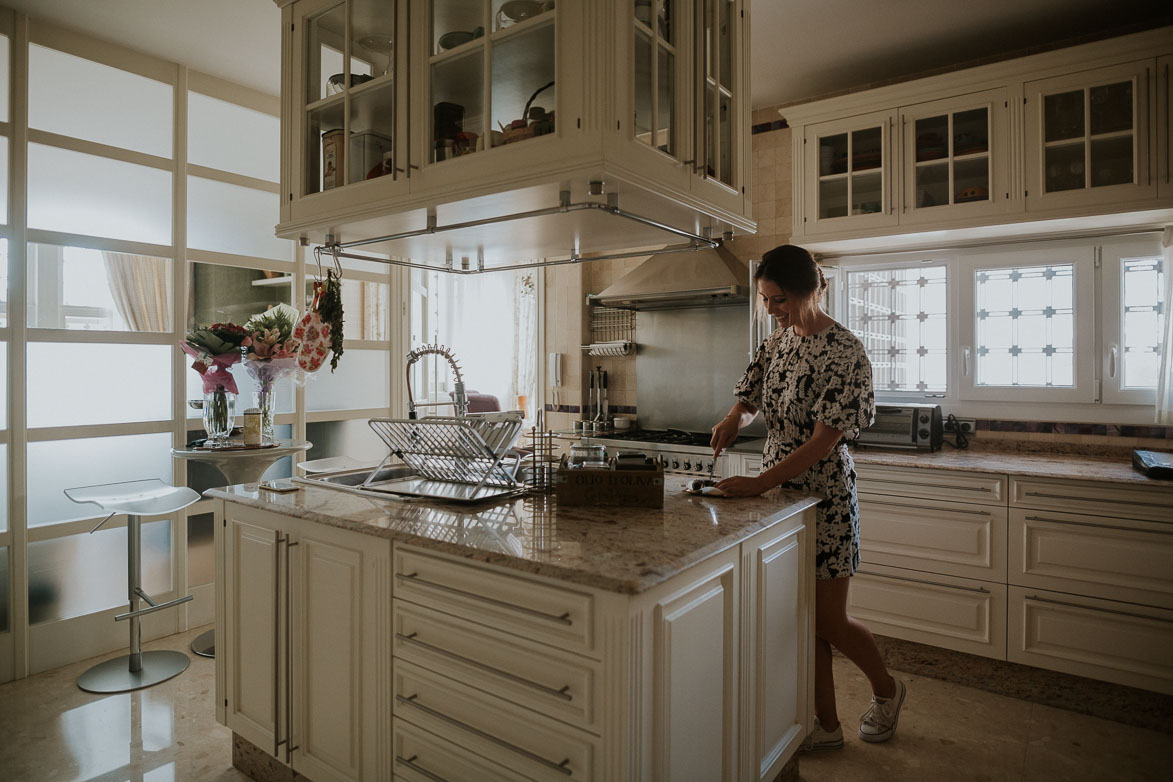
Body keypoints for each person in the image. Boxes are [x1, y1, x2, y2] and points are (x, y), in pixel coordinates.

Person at [710, 244, 907, 750]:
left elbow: (823, 441)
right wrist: (735, 415)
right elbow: (751, 393)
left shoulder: (846, 352)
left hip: (825, 500)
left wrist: (760, 483)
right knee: (804, 618)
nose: (772, 310)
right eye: (766, 301)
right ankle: (826, 724)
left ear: (810, 290)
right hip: (780, 498)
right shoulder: (778, 342)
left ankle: (888, 691)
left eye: (779, 300)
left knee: (827, 618)